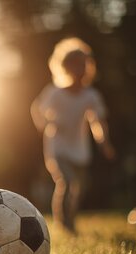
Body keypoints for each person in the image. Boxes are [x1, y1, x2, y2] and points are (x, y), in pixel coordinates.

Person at [31, 37, 115, 234]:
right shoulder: (55, 93)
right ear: (65, 67)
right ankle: (64, 221)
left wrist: (104, 143)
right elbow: (37, 109)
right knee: (67, 182)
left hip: (79, 147)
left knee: (80, 188)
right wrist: (44, 125)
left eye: (83, 64)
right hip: (57, 146)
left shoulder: (91, 96)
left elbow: (98, 121)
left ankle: (71, 217)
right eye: (75, 64)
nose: (80, 69)